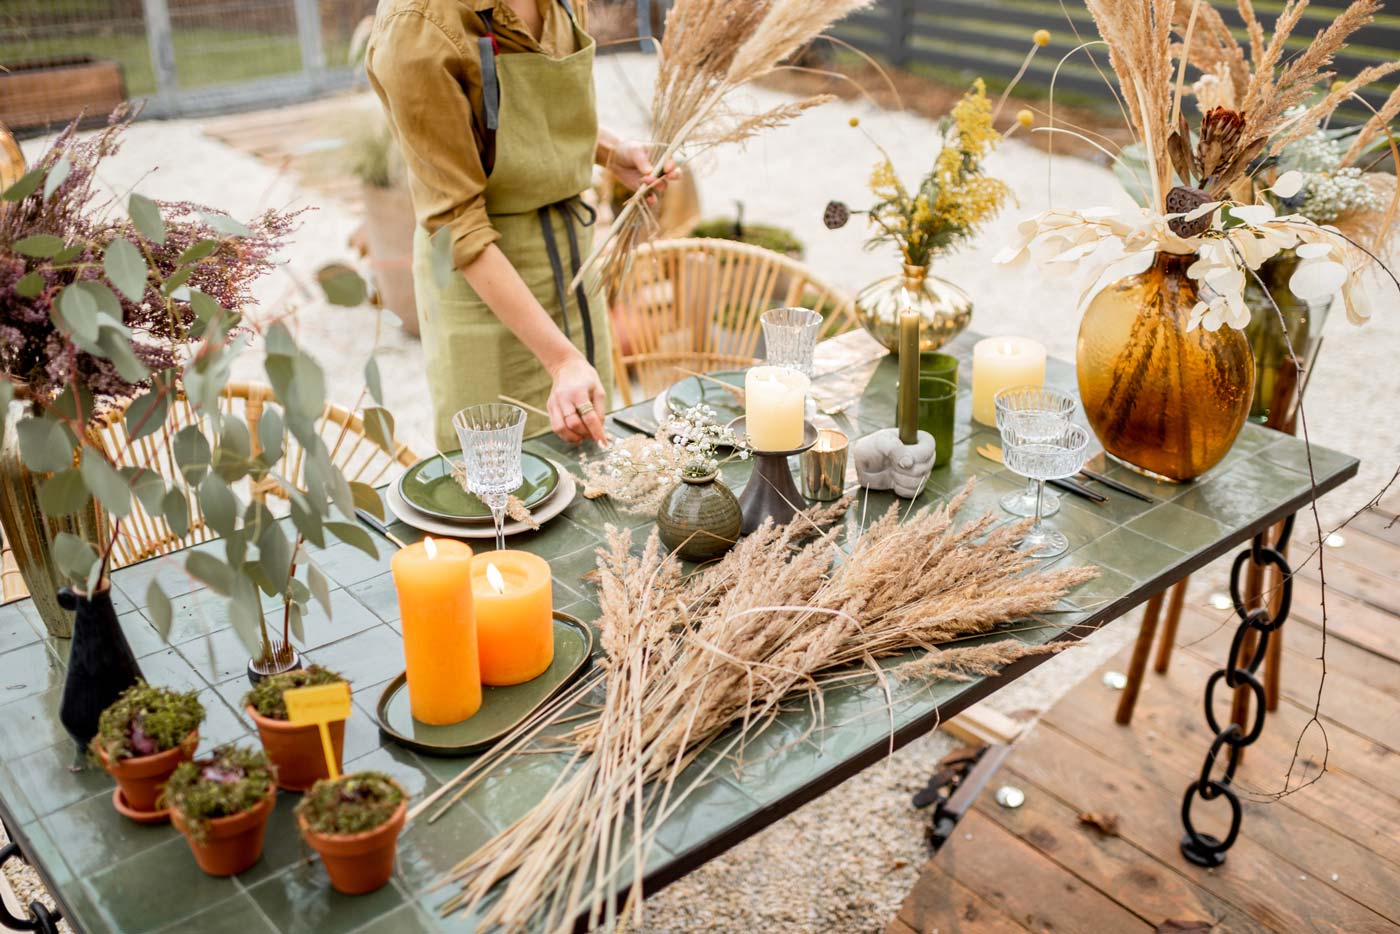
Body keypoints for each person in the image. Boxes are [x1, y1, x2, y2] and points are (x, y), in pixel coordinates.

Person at [366, 0, 677, 449]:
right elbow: (456, 224)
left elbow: (534, 119)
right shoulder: (416, 26)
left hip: (574, 267)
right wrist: (561, 361)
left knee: (589, 473)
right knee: (505, 490)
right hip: (484, 286)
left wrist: (611, 151)